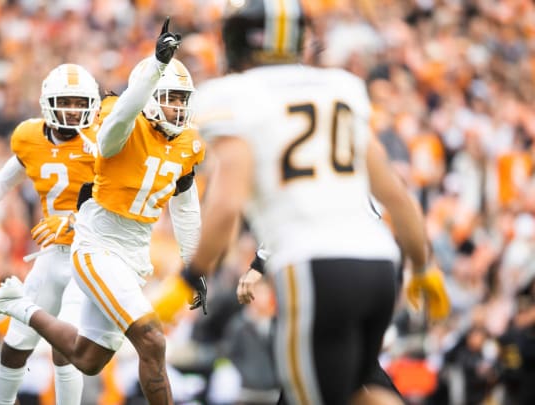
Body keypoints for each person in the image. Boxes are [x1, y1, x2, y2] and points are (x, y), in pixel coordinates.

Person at [178, 1, 440, 404]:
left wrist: (189, 276)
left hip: (315, 269)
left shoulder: (231, 94)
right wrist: (422, 265)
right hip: (380, 267)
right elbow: (396, 195)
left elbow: (226, 205)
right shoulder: (340, 88)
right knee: (359, 390)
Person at [0, 18, 204, 405]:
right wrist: (153, 70)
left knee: (87, 358)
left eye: (181, 98)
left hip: (134, 252)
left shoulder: (188, 143)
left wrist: (194, 265)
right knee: (152, 339)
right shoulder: (122, 124)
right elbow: (123, 116)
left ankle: (18, 306)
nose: (176, 108)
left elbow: (186, 206)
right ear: (148, 96)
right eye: (168, 97)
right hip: (97, 244)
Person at [0, 62, 101, 405]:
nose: (72, 111)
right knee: (14, 346)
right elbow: (5, 178)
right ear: (48, 104)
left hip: (87, 253)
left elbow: (114, 199)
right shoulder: (29, 137)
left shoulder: (102, 142)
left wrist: (72, 221)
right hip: (50, 254)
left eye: (78, 103)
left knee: (65, 345)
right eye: (65, 102)